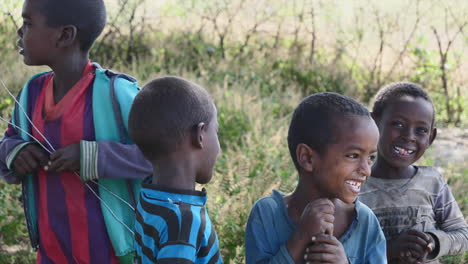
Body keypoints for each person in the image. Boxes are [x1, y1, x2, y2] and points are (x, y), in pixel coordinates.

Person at [0, 0, 152, 263]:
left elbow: (162, 156)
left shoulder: (117, 95)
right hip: (51, 253)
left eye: (28, 24)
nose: (19, 32)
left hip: (113, 254)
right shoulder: (30, 94)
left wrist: (94, 157)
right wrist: (15, 152)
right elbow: (9, 141)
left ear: (65, 35)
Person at [245, 92, 387, 264]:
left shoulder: (365, 222)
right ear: (307, 158)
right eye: (353, 156)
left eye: (371, 158)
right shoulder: (267, 213)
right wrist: (301, 236)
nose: (366, 170)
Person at [359, 82, 468, 264]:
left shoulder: (432, 182)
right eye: (398, 124)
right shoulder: (356, 182)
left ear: (431, 137)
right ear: (374, 123)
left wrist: (432, 242)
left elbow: (463, 235)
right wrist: (388, 249)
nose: (409, 136)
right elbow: (343, 250)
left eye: (421, 130)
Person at [128, 76, 223, 264]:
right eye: (216, 132)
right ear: (200, 135)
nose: (219, 147)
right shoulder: (182, 223)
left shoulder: (150, 197)